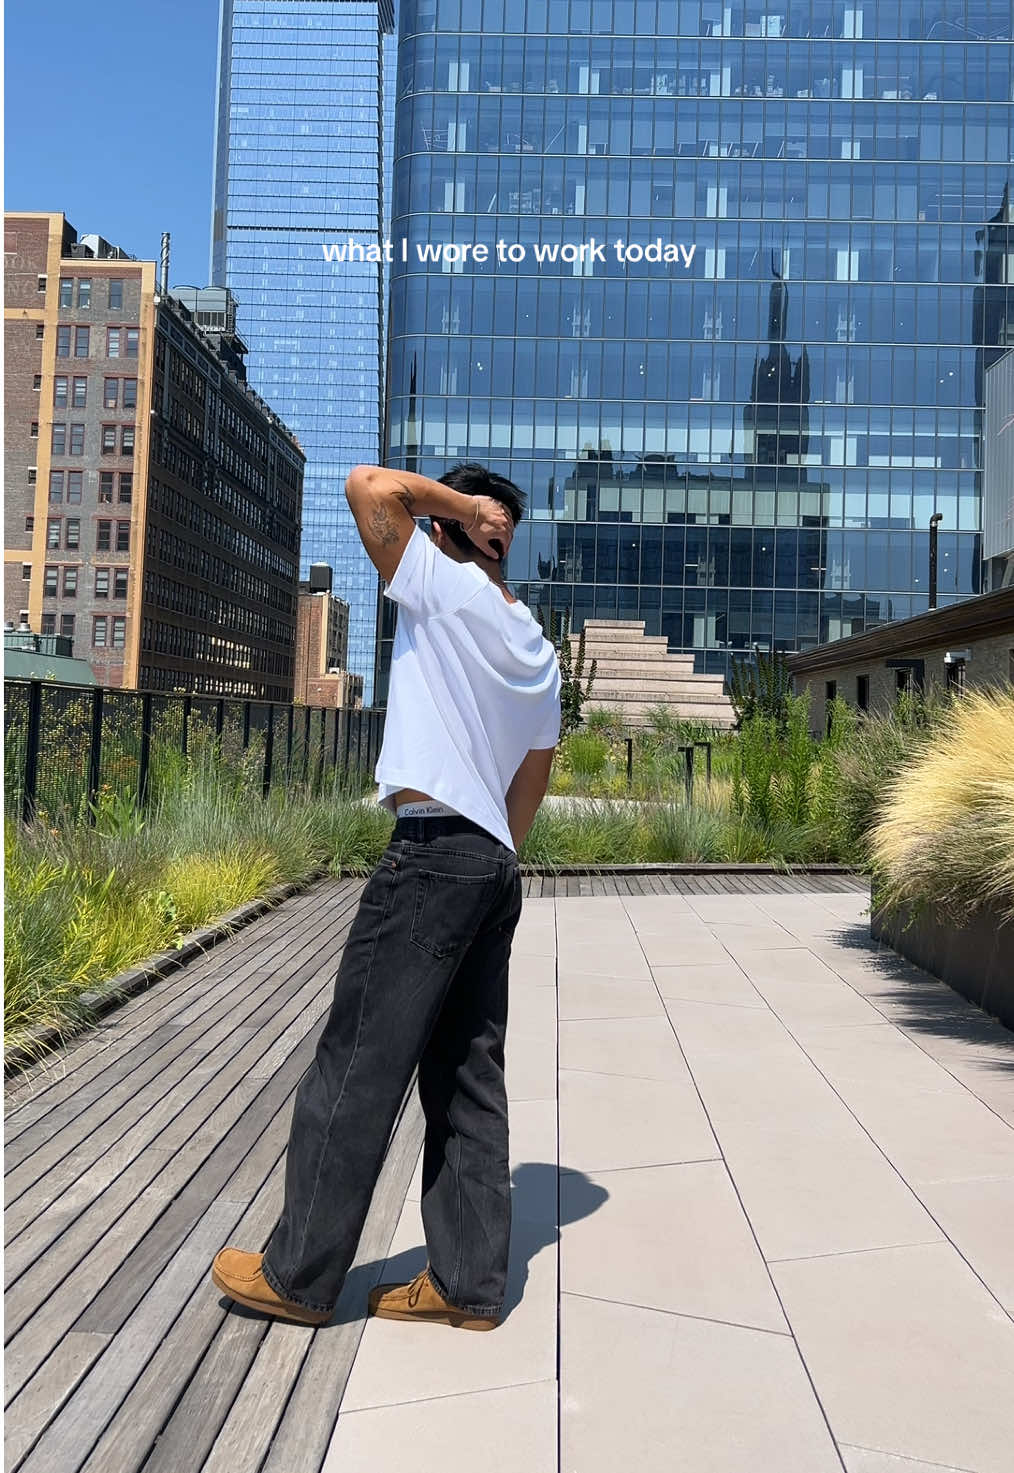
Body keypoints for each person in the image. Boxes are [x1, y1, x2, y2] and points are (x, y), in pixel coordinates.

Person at [211, 461, 562, 1332]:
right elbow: (534, 778)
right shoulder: (537, 646)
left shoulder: (441, 586)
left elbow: (369, 487)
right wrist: (490, 862)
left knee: (357, 1060)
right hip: (490, 863)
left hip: (434, 854)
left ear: (450, 531)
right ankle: (467, 1282)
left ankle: (298, 1274)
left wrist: (455, 509)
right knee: (468, 1075)